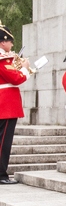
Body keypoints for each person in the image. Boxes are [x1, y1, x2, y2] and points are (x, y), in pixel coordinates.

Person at [0, 22, 31, 184]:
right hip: (5, 105)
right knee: (3, 142)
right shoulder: (2, 58)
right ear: (3, 42)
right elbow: (15, 78)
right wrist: (24, 68)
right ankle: (1, 174)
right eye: (10, 41)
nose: (12, 44)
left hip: (5, 104)